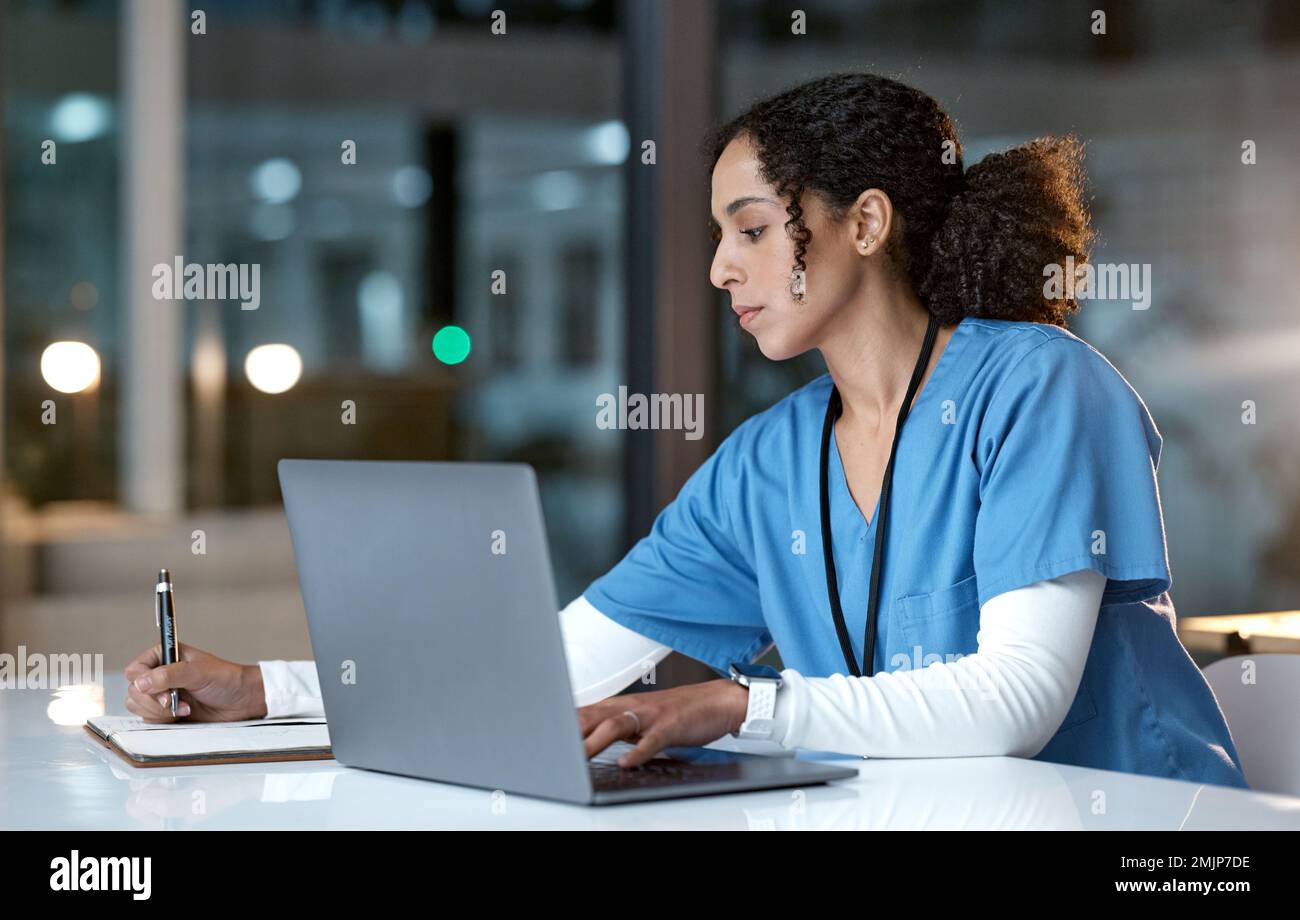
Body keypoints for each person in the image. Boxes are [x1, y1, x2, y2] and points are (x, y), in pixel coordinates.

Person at [123, 71, 1248, 789]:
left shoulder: (1043, 388)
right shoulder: (768, 461)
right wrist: (273, 687)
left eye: (750, 228)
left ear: (863, 222)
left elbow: (1012, 704)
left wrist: (736, 704)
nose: (720, 267)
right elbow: (549, 665)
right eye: (721, 234)